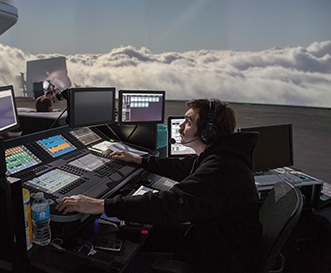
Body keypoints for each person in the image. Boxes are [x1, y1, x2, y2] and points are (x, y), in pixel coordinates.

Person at [56, 98, 262, 273]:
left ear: (208, 132)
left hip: (218, 262)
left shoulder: (222, 169)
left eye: (188, 122)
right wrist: (140, 160)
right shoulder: (222, 157)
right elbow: (182, 168)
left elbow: (169, 204)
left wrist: (101, 205)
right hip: (216, 244)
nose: (181, 126)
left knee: (119, 264)